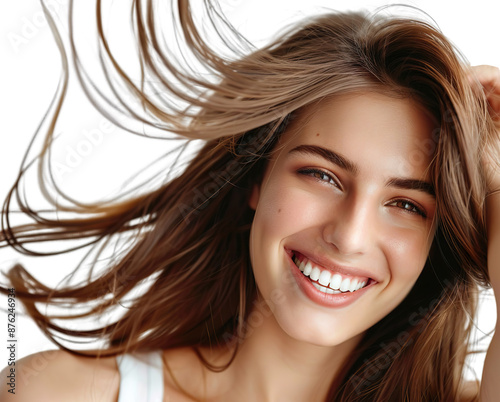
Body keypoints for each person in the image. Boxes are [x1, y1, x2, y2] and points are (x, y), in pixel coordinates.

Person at [1, 1, 499, 400]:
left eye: (408, 205)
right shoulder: (54, 391)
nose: (349, 237)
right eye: (322, 175)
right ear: (256, 179)